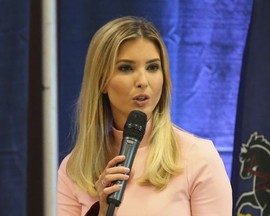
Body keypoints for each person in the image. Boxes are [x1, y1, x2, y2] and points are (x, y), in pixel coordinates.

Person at [57, 16, 232, 216]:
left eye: (152, 67)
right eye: (126, 68)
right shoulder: (74, 170)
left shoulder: (198, 158)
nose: (142, 81)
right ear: (101, 81)